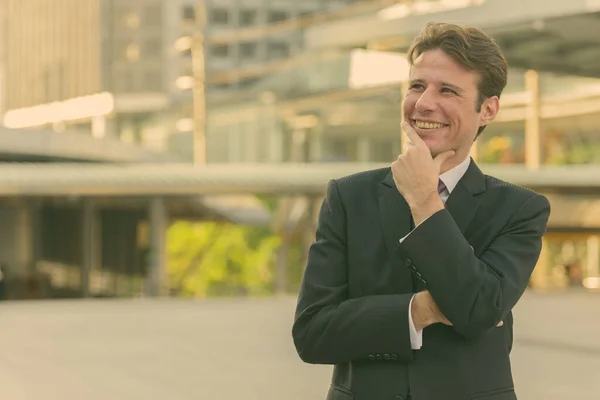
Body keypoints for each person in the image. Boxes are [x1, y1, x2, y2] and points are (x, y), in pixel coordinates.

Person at [292, 22, 551, 400]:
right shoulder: (348, 198)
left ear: (488, 109)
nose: (424, 103)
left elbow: (479, 310)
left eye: (447, 90)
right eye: (417, 86)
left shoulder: (519, 209)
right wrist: (419, 310)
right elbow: (312, 334)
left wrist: (425, 201)